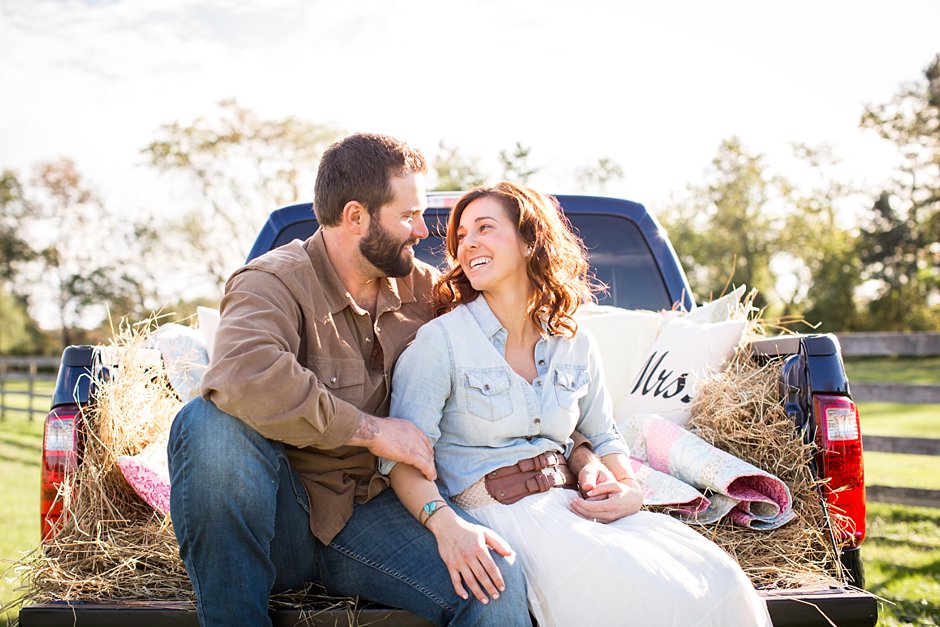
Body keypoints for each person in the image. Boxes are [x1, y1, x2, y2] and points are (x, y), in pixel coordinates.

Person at [167, 133, 534, 627]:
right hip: (282, 519)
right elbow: (243, 374)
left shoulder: (426, 290)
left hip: (378, 511)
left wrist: (582, 449)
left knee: (496, 583)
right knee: (207, 423)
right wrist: (374, 431)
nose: (422, 230)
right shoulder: (271, 281)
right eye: (408, 216)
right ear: (356, 216)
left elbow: (515, 353)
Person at [381, 182, 773, 627]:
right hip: (495, 515)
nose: (468, 243)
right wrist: (442, 523)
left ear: (530, 242)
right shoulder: (442, 341)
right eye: (462, 236)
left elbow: (603, 434)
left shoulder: (575, 342)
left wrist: (628, 490)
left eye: (485, 228)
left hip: (570, 506)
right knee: (640, 598)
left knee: (718, 578)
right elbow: (402, 459)